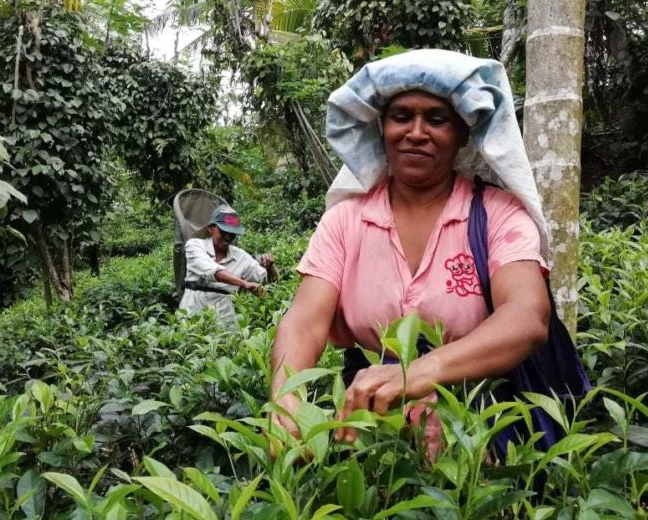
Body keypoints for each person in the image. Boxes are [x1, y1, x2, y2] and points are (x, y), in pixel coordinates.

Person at [269, 49, 588, 458]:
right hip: (372, 436)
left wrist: (419, 374)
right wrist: (286, 397)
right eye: (402, 116)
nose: (416, 132)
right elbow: (305, 321)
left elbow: (527, 317)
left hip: (485, 436)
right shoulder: (345, 221)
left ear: (461, 133)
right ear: (381, 127)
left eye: (436, 120)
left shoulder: (498, 215)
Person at [179, 205, 278, 323]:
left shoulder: (240, 256)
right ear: (211, 228)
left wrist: (270, 267)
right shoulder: (195, 245)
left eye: (232, 233)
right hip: (192, 311)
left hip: (224, 317)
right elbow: (212, 271)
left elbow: (270, 281)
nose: (228, 237)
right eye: (224, 231)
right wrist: (244, 283)